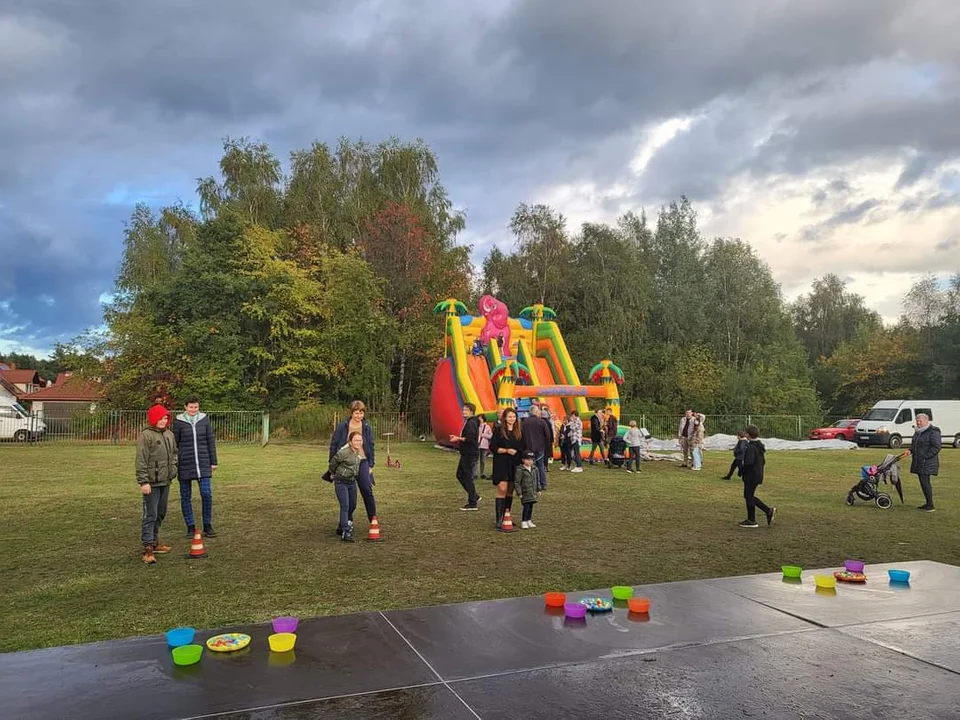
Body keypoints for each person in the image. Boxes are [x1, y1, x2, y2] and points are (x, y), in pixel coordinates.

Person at [136, 405, 178, 564]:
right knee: (150, 514)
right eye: (160, 418)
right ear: (154, 419)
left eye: (166, 418)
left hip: (165, 480)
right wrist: (143, 481)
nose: (163, 421)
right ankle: (147, 548)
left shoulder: (169, 434)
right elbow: (141, 460)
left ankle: (154, 542)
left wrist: (173, 468)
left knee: (161, 512)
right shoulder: (146, 436)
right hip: (151, 483)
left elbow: (174, 453)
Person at [173, 397, 219, 538]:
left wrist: (213, 461)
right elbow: (175, 444)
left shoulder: (204, 420)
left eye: (196, 407)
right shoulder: (178, 422)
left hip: (203, 463)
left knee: (206, 493)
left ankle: (207, 525)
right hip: (185, 464)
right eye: (191, 407)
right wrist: (175, 462)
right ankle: (190, 527)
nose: (193, 410)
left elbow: (210, 440)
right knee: (186, 496)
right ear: (185, 407)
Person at [329, 401, 377, 535]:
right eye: (356, 412)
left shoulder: (366, 427)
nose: (359, 415)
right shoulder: (343, 426)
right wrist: (332, 464)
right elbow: (334, 444)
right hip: (346, 462)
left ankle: (373, 520)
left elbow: (371, 445)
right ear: (351, 413)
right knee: (348, 497)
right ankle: (346, 522)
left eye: (361, 413)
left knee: (367, 489)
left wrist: (371, 464)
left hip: (362, 461)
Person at [490, 407, 525, 530]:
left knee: (510, 490)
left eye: (514, 417)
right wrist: (506, 450)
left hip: (515, 464)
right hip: (502, 463)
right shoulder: (499, 430)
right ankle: (499, 519)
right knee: (502, 489)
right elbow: (493, 447)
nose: (512, 419)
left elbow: (523, 447)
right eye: (510, 416)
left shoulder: (519, 431)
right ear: (505, 418)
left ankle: (507, 515)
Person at [329, 431, 363, 542]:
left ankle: (341, 526)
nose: (358, 442)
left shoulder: (359, 452)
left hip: (352, 482)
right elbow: (333, 463)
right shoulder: (343, 452)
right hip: (341, 482)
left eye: (360, 440)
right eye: (356, 440)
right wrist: (334, 473)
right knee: (345, 506)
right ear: (350, 441)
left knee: (352, 506)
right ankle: (345, 531)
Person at [739, 425, 775, 528]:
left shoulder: (751, 447)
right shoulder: (759, 446)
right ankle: (767, 511)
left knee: (748, 496)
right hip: (757, 474)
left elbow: (748, 463)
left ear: (748, 435)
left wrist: (742, 470)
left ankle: (753, 520)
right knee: (749, 496)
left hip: (751, 475)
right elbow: (763, 461)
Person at [451, 403, 482, 510]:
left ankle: (472, 502)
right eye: (463, 409)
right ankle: (474, 496)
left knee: (467, 476)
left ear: (472, 411)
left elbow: (470, 439)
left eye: (466, 410)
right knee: (460, 475)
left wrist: (458, 438)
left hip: (470, 453)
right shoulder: (469, 422)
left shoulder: (471, 423)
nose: (463, 412)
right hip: (465, 453)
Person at [910, 413, 941, 512]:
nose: (918, 422)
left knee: (925, 482)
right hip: (919, 461)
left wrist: (925, 457)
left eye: (920, 421)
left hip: (927, 462)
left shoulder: (933, 431)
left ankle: (930, 505)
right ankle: (928, 503)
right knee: (923, 482)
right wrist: (910, 450)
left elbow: (936, 447)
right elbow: (915, 445)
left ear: (926, 421)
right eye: (917, 420)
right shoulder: (918, 432)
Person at [522, 404, 552, 490]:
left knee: (529, 466)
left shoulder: (524, 422)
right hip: (540, 448)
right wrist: (546, 445)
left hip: (528, 447)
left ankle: (532, 484)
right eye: (538, 411)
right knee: (540, 466)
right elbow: (547, 435)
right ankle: (543, 484)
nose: (539, 412)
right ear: (535, 412)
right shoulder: (541, 422)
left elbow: (521, 435)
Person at [515, 451, 539, 529]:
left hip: (532, 492)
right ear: (523, 460)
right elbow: (517, 482)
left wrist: (538, 489)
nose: (530, 461)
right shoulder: (520, 470)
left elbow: (537, 480)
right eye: (527, 459)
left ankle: (529, 520)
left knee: (531, 507)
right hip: (525, 492)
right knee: (526, 507)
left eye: (531, 459)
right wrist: (519, 493)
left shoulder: (535, 469)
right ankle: (524, 521)